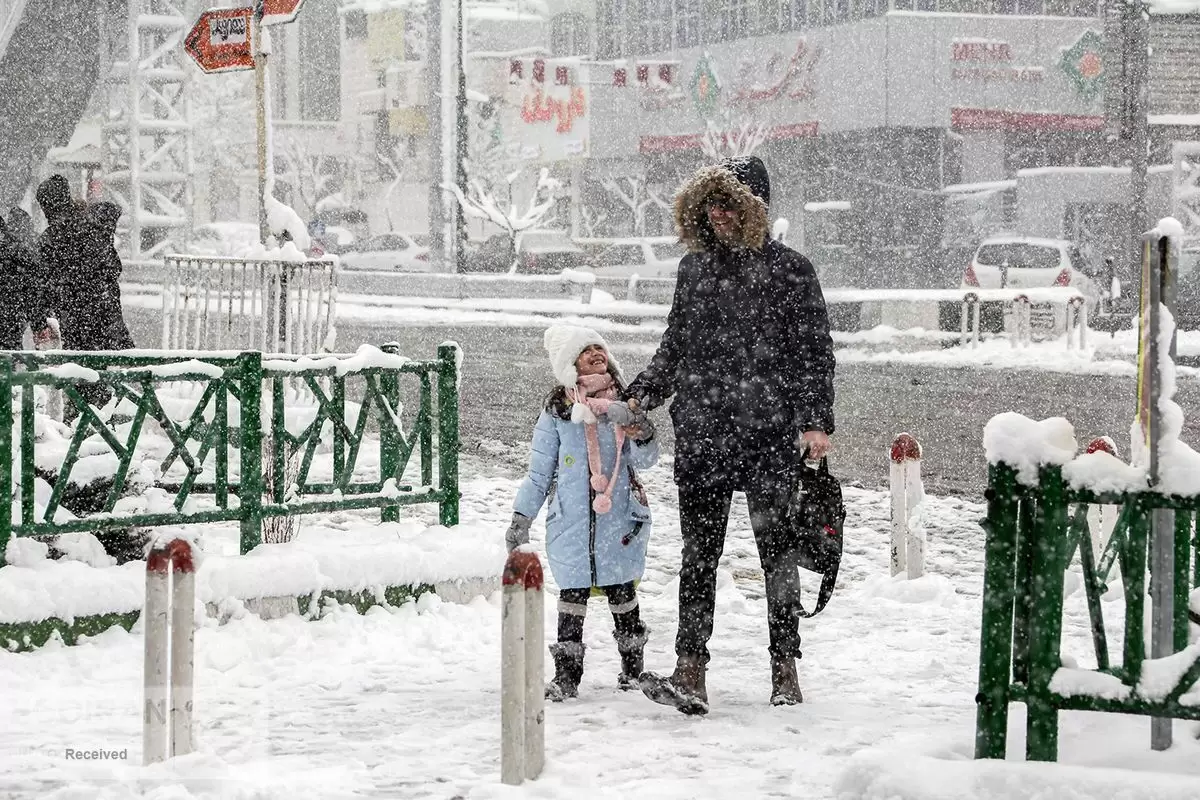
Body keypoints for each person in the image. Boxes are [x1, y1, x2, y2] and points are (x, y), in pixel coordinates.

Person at [626, 156, 836, 715]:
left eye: (728, 205)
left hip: (769, 434)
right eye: (709, 206)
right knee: (698, 555)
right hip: (704, 433)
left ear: (752, 210)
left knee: (777, 555)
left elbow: (814, 354)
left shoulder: (792, 270)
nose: (717, 216)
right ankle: (690, 668)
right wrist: (642, 394)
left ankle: (784, 667)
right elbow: (675, 347)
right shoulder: (694, 271)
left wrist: (816, 421)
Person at [507, 324, 660, 701]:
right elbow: (540, 473)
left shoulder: (624, 404)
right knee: (571, 598)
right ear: (569, 364)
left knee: (622, 593)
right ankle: (567, 677)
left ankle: (632, 670)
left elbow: (646, 459)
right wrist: (521, 517)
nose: (596, 353)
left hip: (619, 517)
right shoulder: (558, 412)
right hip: (572, 522)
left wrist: (641, 430)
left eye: (599, 347)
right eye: (585, 350)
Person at [0, 208, 46, 350]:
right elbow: (32, 287)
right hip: (10, 318)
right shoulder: (17, 250)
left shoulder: (14, 251)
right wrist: (38, 322)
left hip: (10, 316)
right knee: (10, 355)